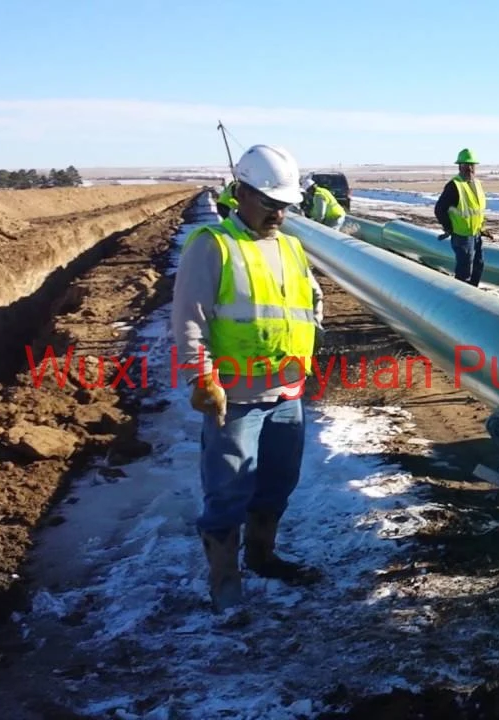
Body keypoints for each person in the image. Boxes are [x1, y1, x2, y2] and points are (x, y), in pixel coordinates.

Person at [171, 143, 326, 612]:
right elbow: (190, 319)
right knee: (229, 488)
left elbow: (310, 303)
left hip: (287, 391)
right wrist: (203, 379)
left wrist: (311, 348)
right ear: (241, 193)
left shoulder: (292, 247)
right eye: (270, 202)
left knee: (277, 481)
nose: (279, 212)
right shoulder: (213, 245)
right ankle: (225, 581)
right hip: (235, 396)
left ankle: (262, 556)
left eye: (285, 204)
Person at [433, 148, 492, 286]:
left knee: (478, 265)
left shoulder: (476, 184)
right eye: (466, 165)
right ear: (460, 166)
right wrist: (449, 227)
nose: (469, 168)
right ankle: (461, 298)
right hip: (462, 236)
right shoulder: (454, 186)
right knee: (464, 271)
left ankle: (473, 293)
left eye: (472, 165)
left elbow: (477, 210)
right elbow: (439, 210)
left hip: (476, 234)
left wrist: (482, 227)